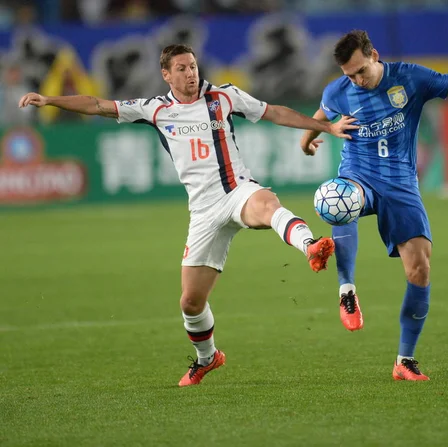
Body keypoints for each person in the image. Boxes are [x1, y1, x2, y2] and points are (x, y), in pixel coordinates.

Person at [19, 43, 359, 387]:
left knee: (266, 204)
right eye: (181, 68)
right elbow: (96, 104)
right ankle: (208, 358)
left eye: (193, 66)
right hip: (202, 212)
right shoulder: (155, 109)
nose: (191, 73)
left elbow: (274, 112)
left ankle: (311, 246)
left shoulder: (224, 96)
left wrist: (327, 128)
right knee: (191, 302)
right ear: (166, 74)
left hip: (236, 190)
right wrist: (50, 101)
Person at [300, 30, 448, 381]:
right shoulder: (339, 91)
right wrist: (311, 140)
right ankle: (346, 290)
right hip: (358, 177)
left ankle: (404, 361)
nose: (357, 81)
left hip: (400, 184)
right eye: (350, 75)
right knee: (337, 199)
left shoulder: (410, 78)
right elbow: (319, 117)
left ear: (374, 55)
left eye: (361, 71)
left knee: (420, 268)